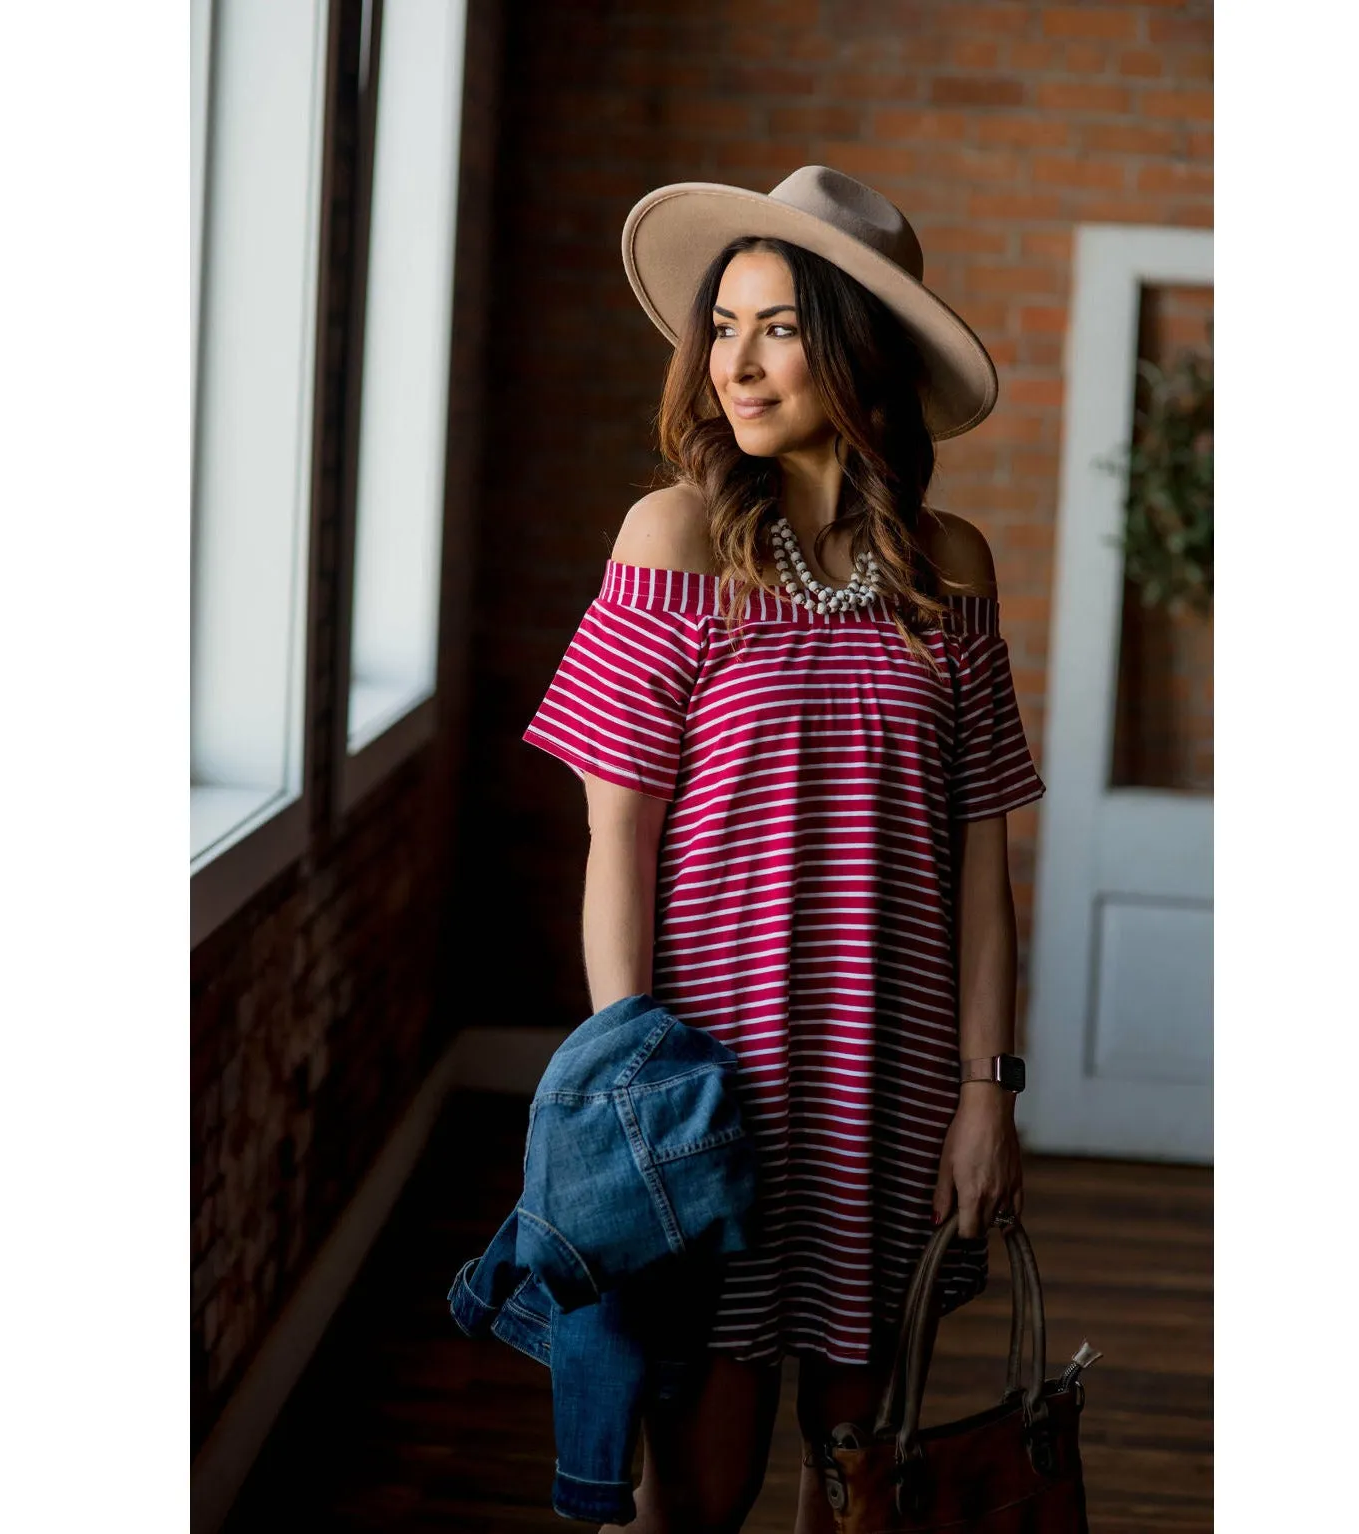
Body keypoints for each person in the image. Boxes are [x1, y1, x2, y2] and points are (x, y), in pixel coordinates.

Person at [521, 166, 1046, 1534]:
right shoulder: (672, 537)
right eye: (721, 325)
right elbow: (613, 837)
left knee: (859, 1471)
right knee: (694, 1485)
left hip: (894, 1079)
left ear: (855, 348)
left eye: (776, 327)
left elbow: (981, 863)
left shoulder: (954, 569)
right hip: (712, 1095)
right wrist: (629, 1085)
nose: (730, 362)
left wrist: (986, 1090)